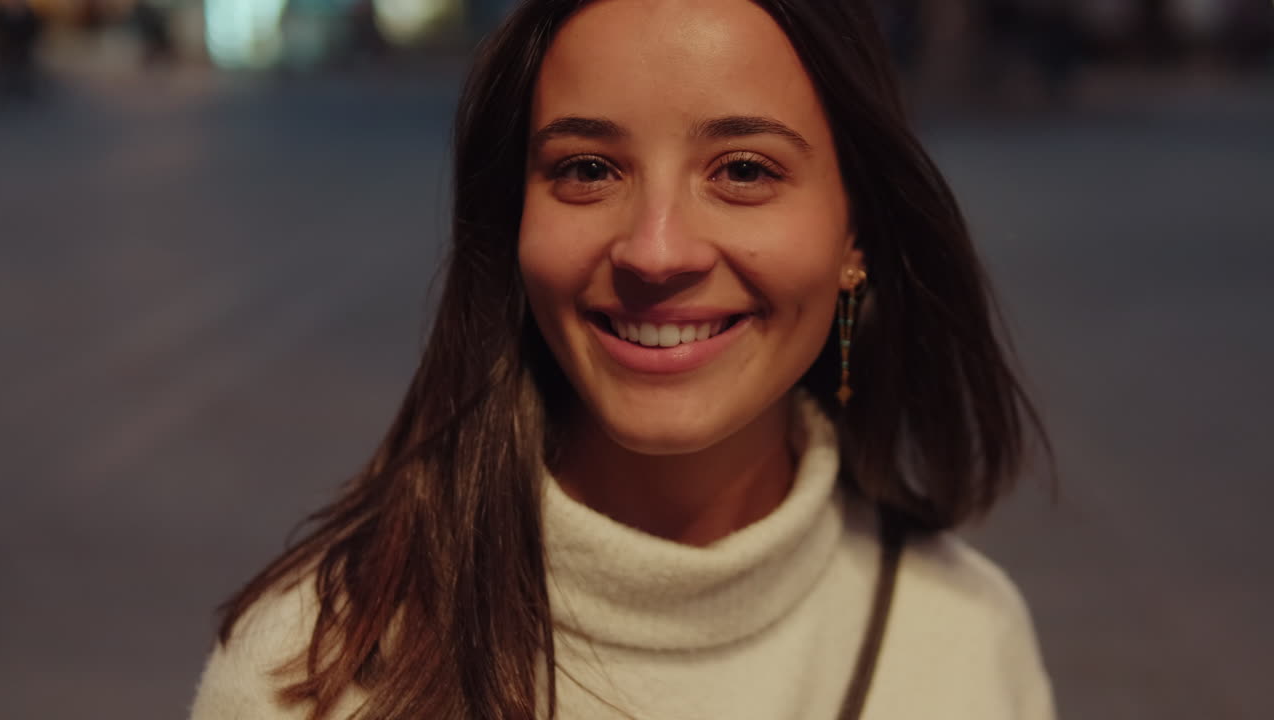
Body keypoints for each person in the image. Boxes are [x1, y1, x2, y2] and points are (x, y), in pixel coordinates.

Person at [188, 1, 1055, 719]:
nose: (655, 250)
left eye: (743, 170)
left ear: (854, 230)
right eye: (588, 169)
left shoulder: (966, 643)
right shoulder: (309, 671)